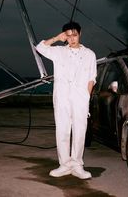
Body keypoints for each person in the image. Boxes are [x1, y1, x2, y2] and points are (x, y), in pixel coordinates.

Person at [35, 21, 97, 179]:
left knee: (80, 132)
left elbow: (92, 78)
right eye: (68, 36)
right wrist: (57, 38)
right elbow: (40, 47)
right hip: (62, 97)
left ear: (80, 34)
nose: (72, 39)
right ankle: (64, 165)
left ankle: (77, 165)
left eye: (74, 35)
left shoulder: (89, 54)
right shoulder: (59, 52)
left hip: (80, 99)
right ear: (65, 37)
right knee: (62, 131)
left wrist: (86, 97)